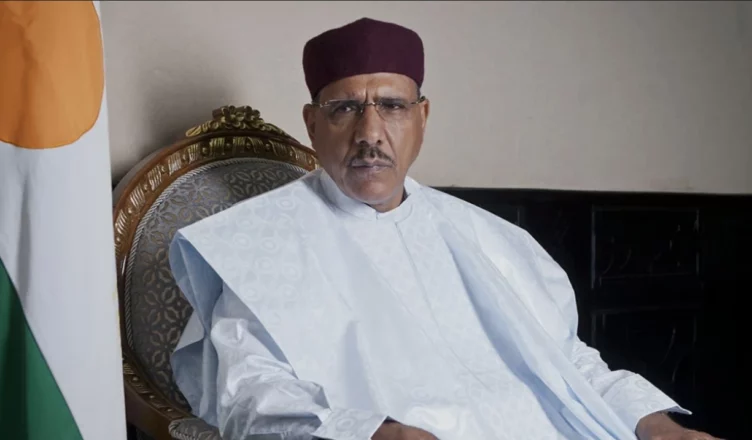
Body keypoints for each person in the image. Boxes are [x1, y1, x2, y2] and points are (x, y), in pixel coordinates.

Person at [168, 17, 721, 440]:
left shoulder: (489, 237)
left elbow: (570, 362)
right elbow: (251, 397)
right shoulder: (260, 246)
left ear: (422, 118)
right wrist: (374, 433)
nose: (370, 132)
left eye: (392, 106)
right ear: (313, 124)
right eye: (345, 108)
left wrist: (658, 427)